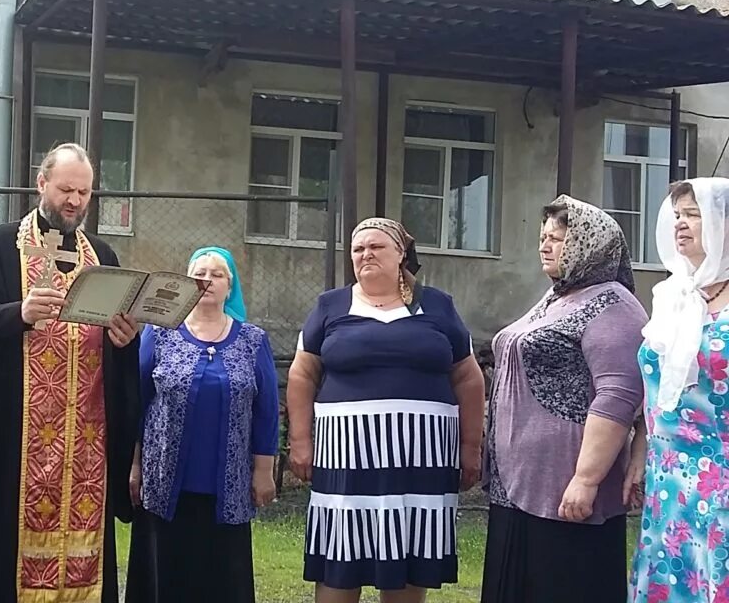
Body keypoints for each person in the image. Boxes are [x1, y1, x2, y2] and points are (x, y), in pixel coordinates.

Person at [0, 142, 142, 603]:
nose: (74, 201)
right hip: (14, 436)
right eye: (66, 189)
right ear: (41, 184)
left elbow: (117, 347)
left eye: (84, 193)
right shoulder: (1, 245)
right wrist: (19, 313)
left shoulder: (102, 256)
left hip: (86, 436)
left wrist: (126, 342)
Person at [287, 218, 485, 603]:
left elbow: (468, 377)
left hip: (422, 458)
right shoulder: (331, 305)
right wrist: (300, 439)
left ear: (401, 255)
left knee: (408, 554)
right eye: (358, 249)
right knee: (341, 555)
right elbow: (303, 372)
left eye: (376, 247)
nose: (365, 255)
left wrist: (471, 447)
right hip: (345, 457)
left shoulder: (437, 306)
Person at [479, 195, 646, 603]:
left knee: (563, 585)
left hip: (564, 485)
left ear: (591, 244)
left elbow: (619, 395)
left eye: (558, 238)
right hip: (519, 487)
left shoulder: (612, 303)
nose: (545, 245)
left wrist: (586, 479)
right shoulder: (558, 297)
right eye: (543, 237)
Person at [124, 246, 279, 603]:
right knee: (165, 574)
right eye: (200, 273)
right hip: (164, 481)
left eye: (217, 274)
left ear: (230, 287)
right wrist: (133, 464)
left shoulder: (253, 340)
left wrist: (264, 471)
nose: (207, 280)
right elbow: (138, 399)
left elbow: (267, 410)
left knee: (221, 577)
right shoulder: (159, 333)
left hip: (228, 484)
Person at [631, 178, 729, 602]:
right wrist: (640, 453)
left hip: (721, 477)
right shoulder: (672, 295)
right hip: (668, 476)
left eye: (693, 214)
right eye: (677, 215)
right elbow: (654, 393)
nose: (681, 225)